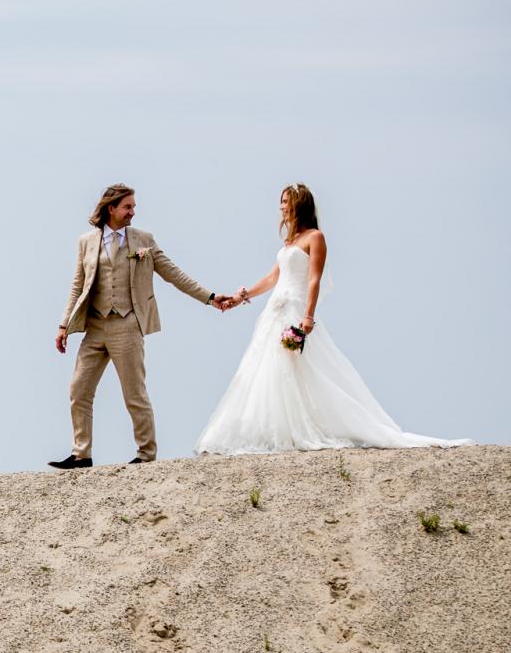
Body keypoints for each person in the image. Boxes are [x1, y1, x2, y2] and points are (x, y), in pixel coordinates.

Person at [195, 184, 470, 454]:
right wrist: (239, 297)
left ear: (298, 204)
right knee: (267, 369)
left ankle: (309, 426)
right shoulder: (288, 242)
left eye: (285, 201)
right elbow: (273, 278)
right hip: (274, 309)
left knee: (301, 368)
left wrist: (308, 316)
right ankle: (278, 430)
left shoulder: (315, 237)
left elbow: (314, 278)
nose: (280, 206)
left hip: (295, 308)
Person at [49, 183, 231, 470]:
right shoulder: (86, 241)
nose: (133, 211)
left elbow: (174, 274)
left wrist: (210, 297)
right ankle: (81, 454)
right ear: (111, 208)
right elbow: (77, 286)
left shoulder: (143, 240)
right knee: (79, 389)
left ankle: (146, 453)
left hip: (127, 325)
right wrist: (63, 325)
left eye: (133, 206)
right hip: (95, 326)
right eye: (128, 207)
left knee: (134, 393)